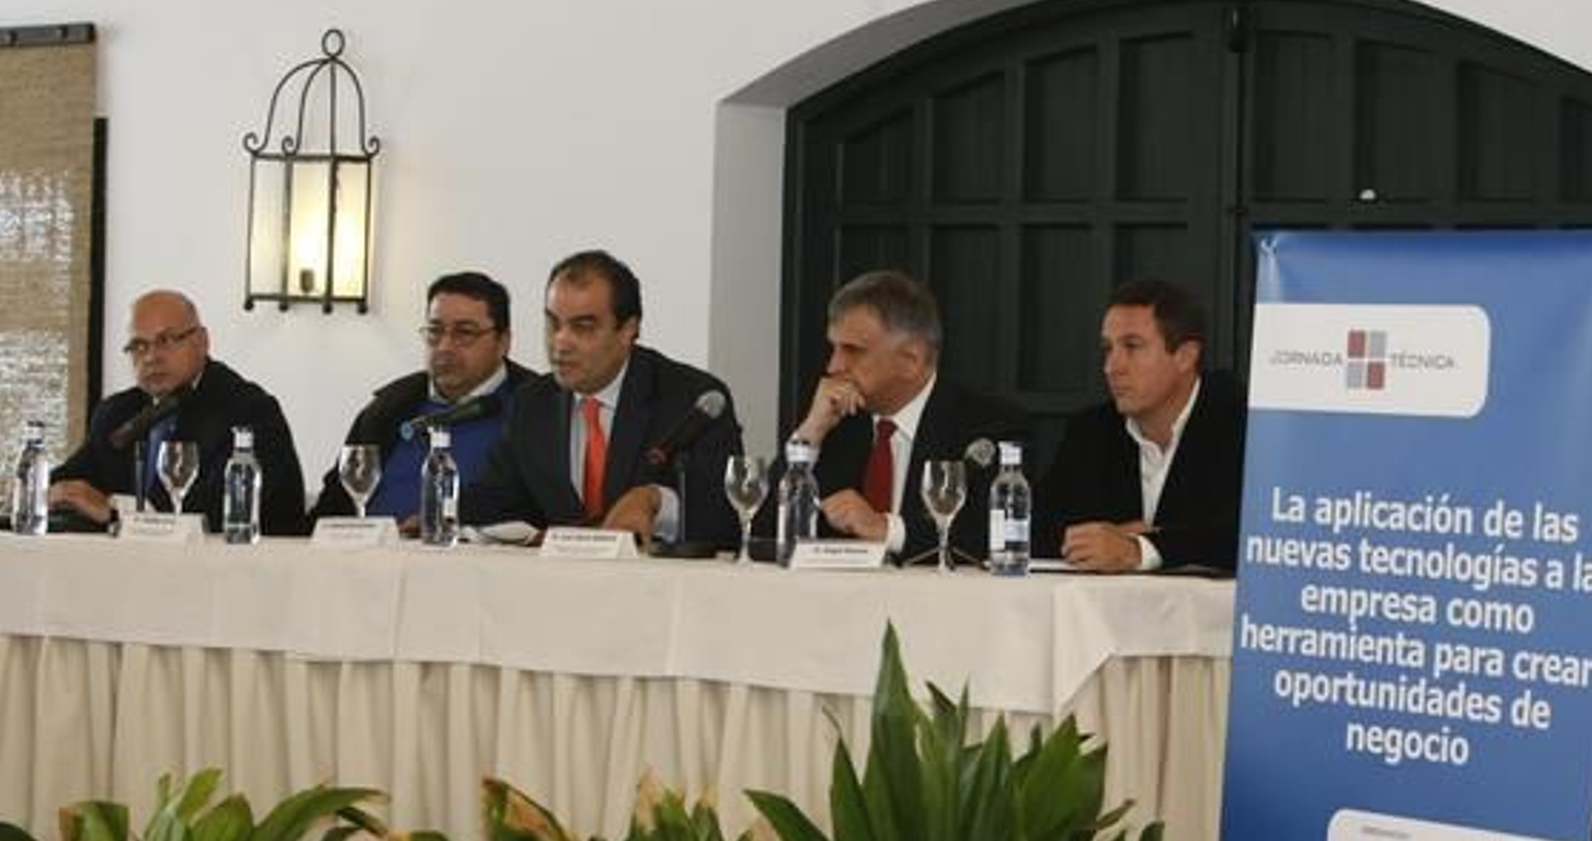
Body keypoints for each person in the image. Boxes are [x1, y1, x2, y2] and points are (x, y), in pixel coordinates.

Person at [461, 250, 742, 547]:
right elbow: (492, 502)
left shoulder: (690, 400)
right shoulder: (532, 403)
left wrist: (657, 501)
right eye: (553, 323)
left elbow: (725, 517)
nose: (560, 342)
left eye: (583, 327)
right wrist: (442, 505)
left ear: (628, 330)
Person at [780, 269, 1031, 563]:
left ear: (911, 361)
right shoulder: (834, 420)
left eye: (852, 350)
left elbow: (992, 537)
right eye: (834, 348)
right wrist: (810, 432)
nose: (833, 366)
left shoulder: (990, 425)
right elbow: (763, 530)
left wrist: (886, 529)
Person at [49, 289, 306, 534]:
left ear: (202, 342)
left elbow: (214, 512)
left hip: (241, 562)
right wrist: (52, 494)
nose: (151, 357)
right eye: (139, 345)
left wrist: (116, 512)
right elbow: (70, 482)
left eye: (166, 341)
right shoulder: (117, 413)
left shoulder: (249, 411)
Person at [1034, 278, 1246, 573]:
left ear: (1185, 356)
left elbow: (1247, 537)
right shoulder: (1091, 431)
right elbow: (1036, 529)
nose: (1111, 367)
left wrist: (1139, 549)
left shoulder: (1243, 425)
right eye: (1107, 348)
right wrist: (1102, 541)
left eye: (1132, 346)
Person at [309, 271, 537, 523]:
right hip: (374, 546)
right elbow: (332, 508)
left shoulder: (541, 408)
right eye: (435, 331)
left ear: (503, 342)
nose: (445, 346)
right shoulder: (389, 407)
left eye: (464, 333)